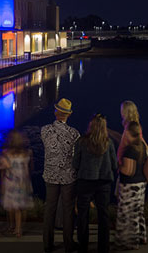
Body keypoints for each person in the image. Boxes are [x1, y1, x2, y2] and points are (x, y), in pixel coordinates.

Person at [72, 113, 117, 253]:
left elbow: (75, 163)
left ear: (90, 126)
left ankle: (83, 246)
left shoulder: (81, 141)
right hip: (103, 183)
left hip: (85, 181)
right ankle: (103, 247)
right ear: (104, 127)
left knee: (82, 215)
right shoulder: (108, 143)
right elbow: (114, 165)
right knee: (103, 215)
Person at [41, 98, 80, 253]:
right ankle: (68, 244)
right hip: (68, 177)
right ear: (68, 115)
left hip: (50, 175)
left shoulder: (44, 130)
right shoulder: (74, 134)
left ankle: (47, 244)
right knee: (68, 210)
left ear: (56, 112)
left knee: (49, 209)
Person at [114, 121, 148, 250]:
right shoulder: (142, 146)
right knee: (138, 212)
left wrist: (117, 164)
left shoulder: (130, 149)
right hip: (141, 184)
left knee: (128, 215)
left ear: (129, 133)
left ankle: (129, 242)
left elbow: (128, 171)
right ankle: (141, 236)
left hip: (130, 186)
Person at [1, 130, 34, 238]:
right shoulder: (27, 153)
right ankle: (19, 229)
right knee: (20, 207)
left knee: (11, 206)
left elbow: (3, 170)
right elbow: (30, 169)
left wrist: (2, 184)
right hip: (22, 181)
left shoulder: (6, 153)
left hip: (10, 181)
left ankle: (12, 226)